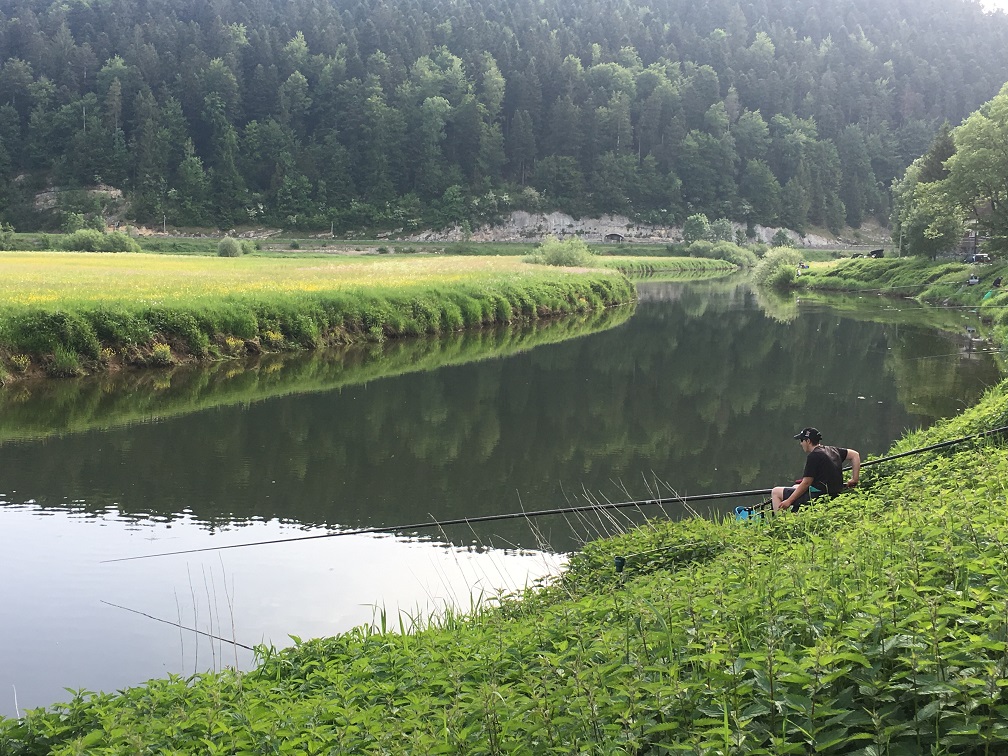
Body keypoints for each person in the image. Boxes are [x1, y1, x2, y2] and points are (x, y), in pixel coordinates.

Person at [771, 427, 861, 513]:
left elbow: (806, 483)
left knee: (776, 492)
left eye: (802, 440)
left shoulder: (814, 456)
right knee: (795, 487)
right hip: (835, 493)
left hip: (819, 496)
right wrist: (855, 479)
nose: (801, 444)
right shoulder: (832, 450)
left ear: (808, 441)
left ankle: (780, 521)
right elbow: (855, 455)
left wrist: (789, 501)